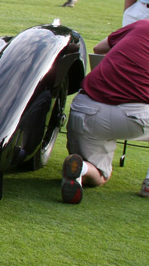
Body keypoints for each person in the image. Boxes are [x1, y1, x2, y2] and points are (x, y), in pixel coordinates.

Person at [61, 19, 149, 203]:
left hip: (85, 109)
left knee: (99, 173)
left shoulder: (141, 25)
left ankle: (82, 169)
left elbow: (100, 48)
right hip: (133, 116)